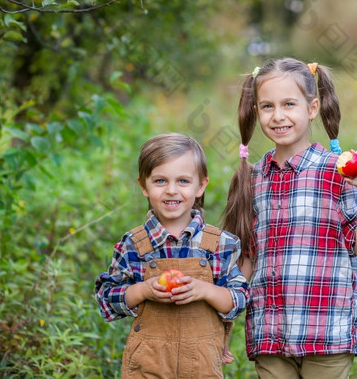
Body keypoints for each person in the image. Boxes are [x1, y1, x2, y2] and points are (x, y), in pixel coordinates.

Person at [221, 58, 357, 379]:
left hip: (326, 330)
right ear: (256, 113)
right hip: (270, 332)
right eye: (267, 106)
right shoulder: (253, 178)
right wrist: (222, 322)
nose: (278, 115)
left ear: (312, 108)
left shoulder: (336, 171)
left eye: (289, 104)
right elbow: (248, 260)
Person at [95, 133, 249, 378]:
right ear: (144, 186)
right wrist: (144, 290)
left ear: (200, 186)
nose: (171, 190)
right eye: (160, 181)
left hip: (201, 368)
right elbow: (106, 298)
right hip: (148, 366)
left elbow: (240, 299)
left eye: (183, 181)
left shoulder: (220, 244)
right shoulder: (134, 245)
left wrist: (204, 290)